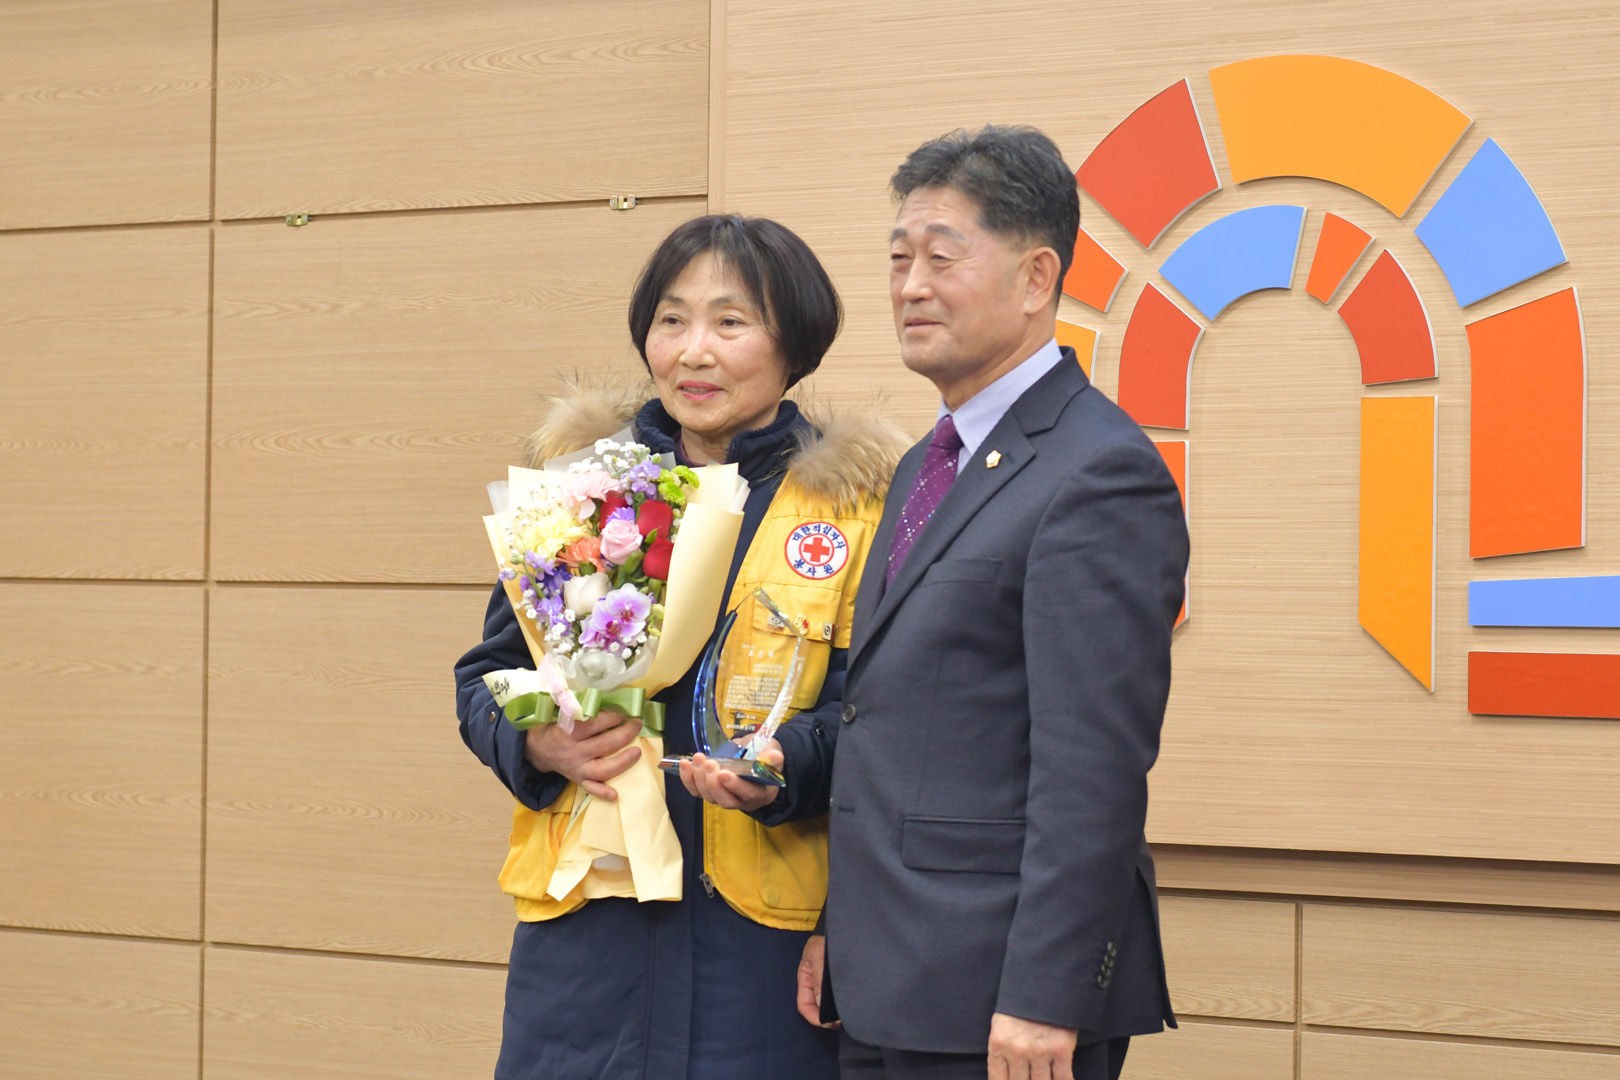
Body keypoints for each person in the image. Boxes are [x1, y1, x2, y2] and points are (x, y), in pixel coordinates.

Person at [683, 127, 1188, 1080]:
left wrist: (1046, 996)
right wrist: (842, 927)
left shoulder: (1098, 473)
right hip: (889, 980)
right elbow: (891, 721)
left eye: (942, 258)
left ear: (1037, 278)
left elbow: (1094, 771)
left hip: (1001, 1005)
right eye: (898, 259)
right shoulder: (927, 461)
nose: (911, 287)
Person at [454, 214, 908, 1080]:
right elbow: (487, 677)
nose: (694, 351)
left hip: (760, 948)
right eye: (672, 320)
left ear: (794, 344)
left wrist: (788, 764)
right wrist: (538, 740)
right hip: (588, 935)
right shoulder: (582, 489)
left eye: (730, 322)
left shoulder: (856, 509)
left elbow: (887, 715)